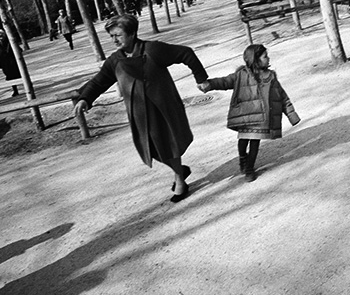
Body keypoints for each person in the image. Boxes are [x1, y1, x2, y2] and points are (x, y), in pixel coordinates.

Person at [73, 15, 209, 203]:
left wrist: (201, 79)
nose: (114, 41)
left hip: (163, 109)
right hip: (140, 115)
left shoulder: (153, 49)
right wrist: (85, 99)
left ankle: (179, 180)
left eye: (118, 35)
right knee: (152, 149)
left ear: (132, 33)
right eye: (111, 36)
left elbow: (186, 53)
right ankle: (180, 170)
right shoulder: (115, 60)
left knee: (168, 145)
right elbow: (99, 81)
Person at [197, 44, 300, 182]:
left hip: (262, 118)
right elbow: (224, 81)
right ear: (255, 60)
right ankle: (242, 158)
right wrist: (209, 84)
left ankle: (249, 169)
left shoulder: (271, 77)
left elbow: (281, 96)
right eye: (265, 56)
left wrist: (291, 115)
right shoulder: (241, 75)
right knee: (243, 140)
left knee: (255, 143)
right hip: (246, 116)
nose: (268, 58)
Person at [0, 29, 21, 97]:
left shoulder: (10, 42)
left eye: (1, 36)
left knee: (18, 75)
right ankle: (15, 90)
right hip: (5, 64)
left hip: (13, 62)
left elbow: (19, 50)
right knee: (9, 77)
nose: (0, 39)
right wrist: (0, 65)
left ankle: (27, 86)